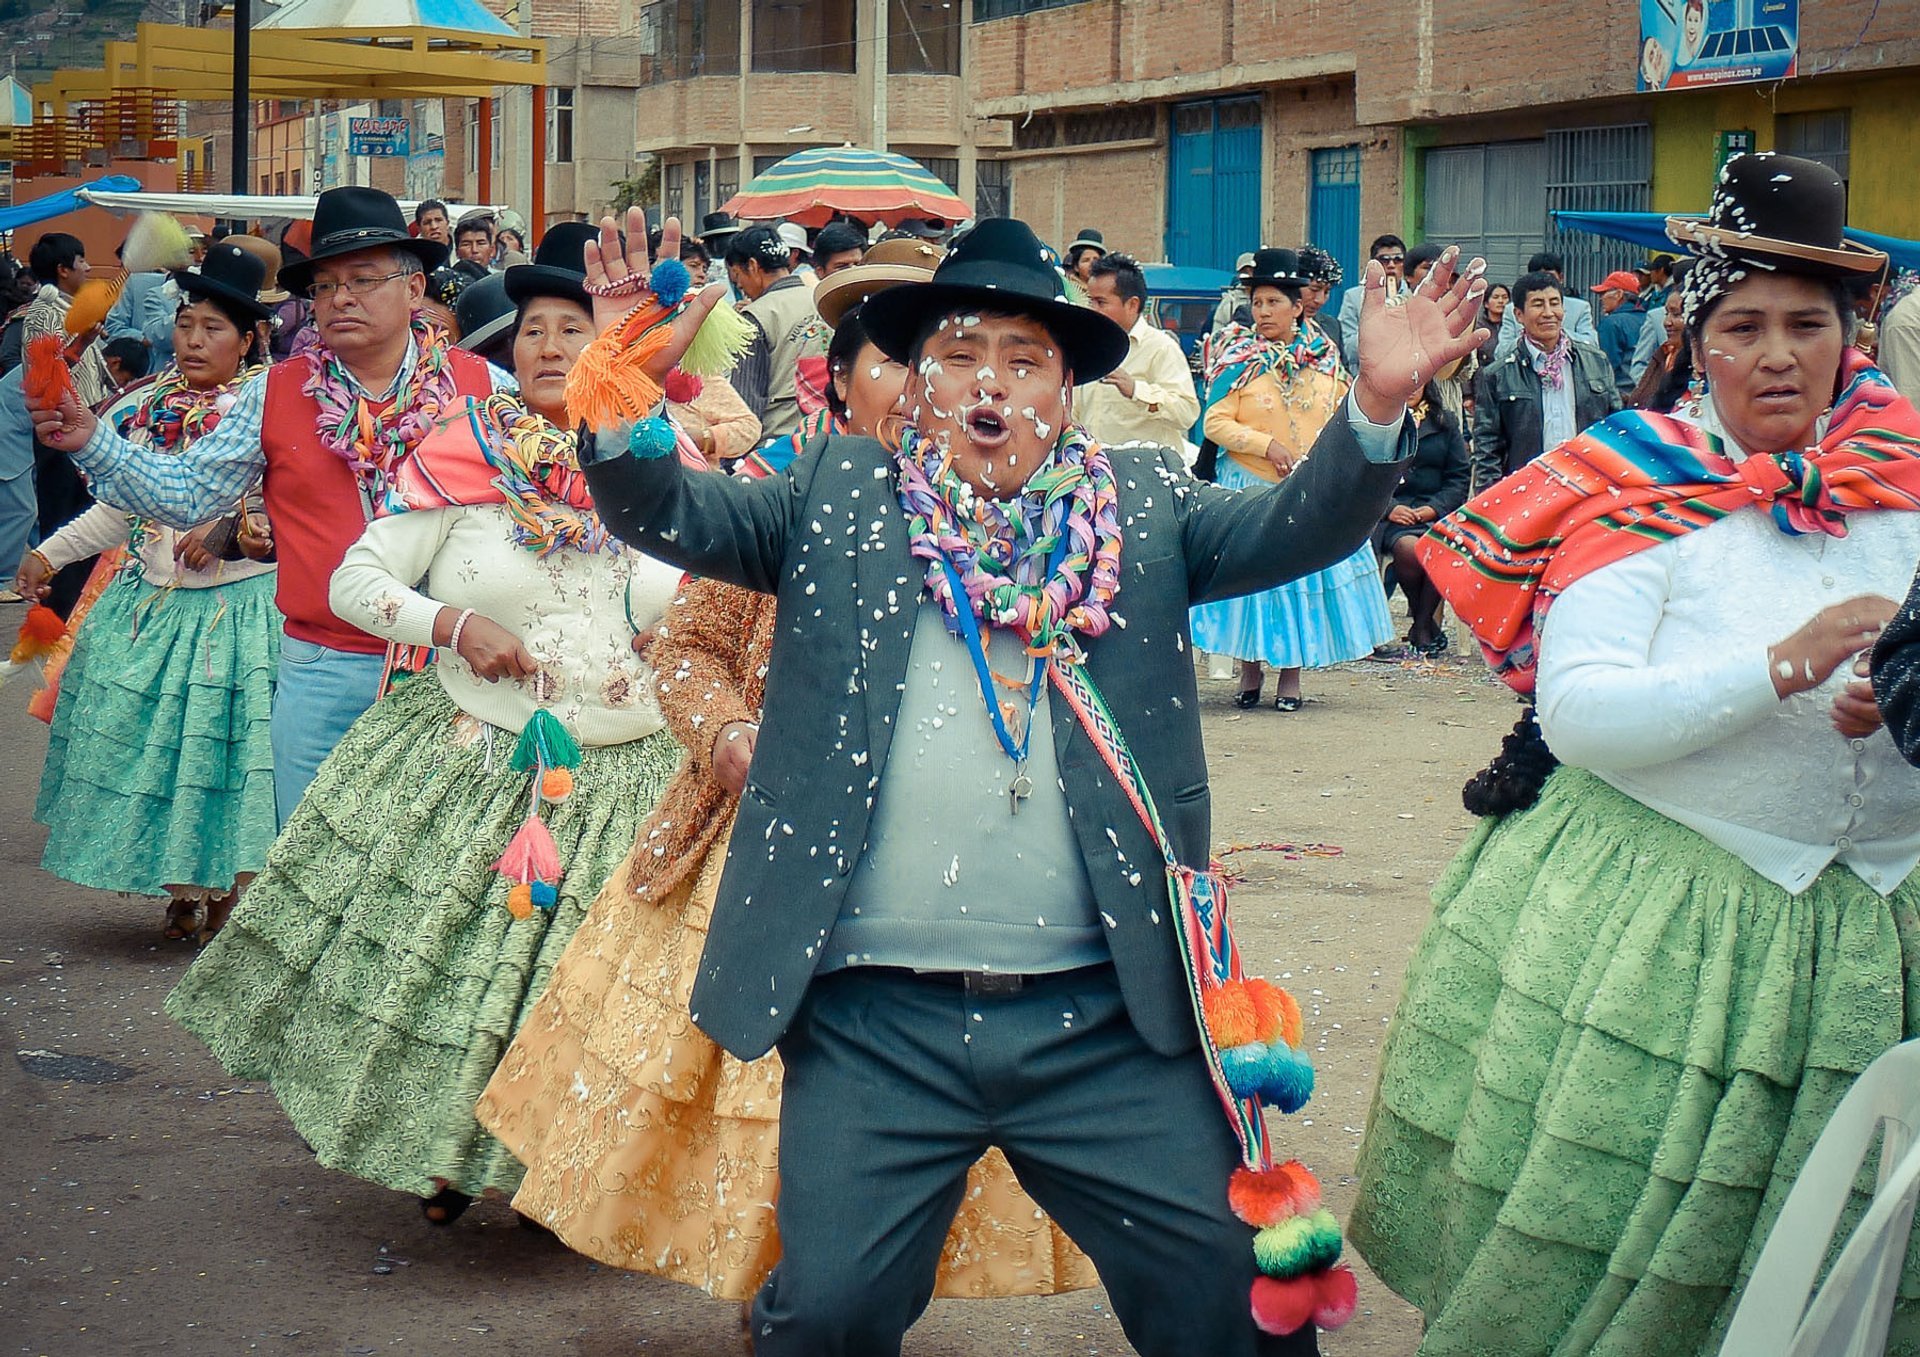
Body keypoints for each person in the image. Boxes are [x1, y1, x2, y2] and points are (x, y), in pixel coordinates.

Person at [570, 212, 1487, 1356]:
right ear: (916, 380)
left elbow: (1295, 526)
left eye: (1025, 358)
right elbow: (669, 510)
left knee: (1232, 1300)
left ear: (1066, 386)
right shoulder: (838, 493)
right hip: (874, 1019)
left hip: (1107, 1019)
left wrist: (1378, 406)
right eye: (959, 355)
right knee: (831, 1312)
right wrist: (612, 381)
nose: (989, 384)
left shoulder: (1146, 504)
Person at [1350, 152, 1920, 1357]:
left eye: (1806, 325)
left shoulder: (1907, 480)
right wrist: (1787, 661)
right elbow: (1585, 714)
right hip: (1676, 938)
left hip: (1882, 941)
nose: (1777, 354)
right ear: (1694, 337)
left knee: (1846, 1261)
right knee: (1627, 1267)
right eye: (1745, 326)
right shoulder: (1637, 486)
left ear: (1850, 335)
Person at [476, 250, 1097, 1302]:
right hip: (767, 850)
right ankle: (795, 1300)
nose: (925, 386)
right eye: (897, 362)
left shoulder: (1036, 514)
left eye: (938, 361)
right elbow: (684, 648)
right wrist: (725, 732)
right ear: (842, 380)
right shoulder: (776, 499)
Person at [163, 219, 703, 1226]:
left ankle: (562, 1171)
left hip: (631, 776)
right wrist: (455, 623)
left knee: (587, 987)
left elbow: (722, 600)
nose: (550, 346)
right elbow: (355, 579)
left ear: (624, 347)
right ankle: (447, 1152)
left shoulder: (670, 469)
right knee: (461, 971)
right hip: (477, 760)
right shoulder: (461, 454)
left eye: (576, 327)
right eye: (532, 329)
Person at [24, 186, 513, 825]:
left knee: (437, 867)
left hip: (456, 669)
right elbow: (184, 493)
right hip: (323, 664)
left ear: (414, 287)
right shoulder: (276, 393)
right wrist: (92, 439)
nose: (341, 298)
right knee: (311, 860)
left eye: (363, 279)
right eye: (325, 285)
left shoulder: (484, 390)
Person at [18, 242, 278, 944]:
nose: (193, 340)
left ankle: (229, 888)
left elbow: (302, 506)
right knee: (165, 758)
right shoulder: (145, 406)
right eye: (186, 323)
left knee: (225, 759)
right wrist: (49, 550)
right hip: (158, 607)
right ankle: (187, 888)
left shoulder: (276, 407)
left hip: (243, 609)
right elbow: (122, 505)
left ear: (250, 338)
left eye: (213, 328)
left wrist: (236, 525)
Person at [1189, 248, 1397, 710]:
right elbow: (1214, 423)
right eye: (1257, 303)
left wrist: (1323, 461)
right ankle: (1248, 673)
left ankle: (1290, 677)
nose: (1262, 312)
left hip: (1308, 487)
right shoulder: (1236, 357)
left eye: (1273, 303)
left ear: (1297, 306)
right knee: (1251, 580)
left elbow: (1344, 414)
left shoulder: (1325, 358)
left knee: (1296, 581)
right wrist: (1267, 446)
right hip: (1249, 483)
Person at [1470, 269, 1621, 489]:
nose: (1549, 312)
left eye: (1554, 303)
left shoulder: (1595, 362)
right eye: (1538, 304)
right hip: (1527, 490)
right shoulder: (1498, 374)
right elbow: (1487, 449)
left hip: (1588, 485)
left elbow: (1614, 428)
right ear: (1519, 315)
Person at [1373, 379, 1469, 656]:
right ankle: (1425, 625)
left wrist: (1435, 508)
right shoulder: (1380, 423)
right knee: (1410, 549)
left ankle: (1422, 625)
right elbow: (1367, 477)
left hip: (1433, 512)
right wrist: (1390, 508)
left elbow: (1458, 477)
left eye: (1419, 382)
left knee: (1441, 549)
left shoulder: (1444, 421)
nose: (1413, 388)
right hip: (1391, 515)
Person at [1074, 252, 1202, 454]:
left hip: (1147, 475)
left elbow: (1186, 412)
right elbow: (1074, 414)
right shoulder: (1086, 347)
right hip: (1094, 471)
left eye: (1101, 302)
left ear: (1132, 304)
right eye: (1090, 301)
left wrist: (1136, 391)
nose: (1093, 309)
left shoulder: (1161, 348)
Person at [723, 224, 816, 441]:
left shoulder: (756, 316)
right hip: (827, 433)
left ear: (753, 266)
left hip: (778, 442)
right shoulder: (822, 300)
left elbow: (746, 400)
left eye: (737, 276)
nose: (739, 286)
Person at [1492, 251, 1600, 359]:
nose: (1548, 313)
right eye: (1537, 305)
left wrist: (1557, 334)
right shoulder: (1512, 309)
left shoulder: (1580, 308)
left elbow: (1592, 344)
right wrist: (1529, 338)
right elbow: (1501, 352)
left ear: (1561, 278)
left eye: (1550, 276)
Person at [1338, 234, 1406, 369]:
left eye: (1398, 259)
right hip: (1367, 376)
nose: (1391, 265)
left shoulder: (1413, 296)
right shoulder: (1354, 297)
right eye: (1384, 260)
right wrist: (1375, 331)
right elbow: (1346, 350)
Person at [22, 233, 92, 347]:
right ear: (63, 270)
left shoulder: (75, 308)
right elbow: (48, 363)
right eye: (81, 261)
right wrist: (82, 343)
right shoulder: (43, 316)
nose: (88, 268)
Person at [1590, 268, 1645, 395]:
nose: (1601, 299)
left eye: (1604, 293)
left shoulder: (1611, 323)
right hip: (1644, 393)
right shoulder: (1648, 318)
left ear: (1619, 294)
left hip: (1620, 394)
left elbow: (1606, 365)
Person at [1628, 251, 1680, 384]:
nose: (1667, 322)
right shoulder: (1653, 303)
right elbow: (1640, 365)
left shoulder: (1657, 297)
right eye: (1667, 312)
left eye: (1676, 313)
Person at [1297, 245, 1344, 358]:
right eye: (1314, 289)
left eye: (1327, 292)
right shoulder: (1267, 321)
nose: (1320, 300)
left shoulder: (1331, 326)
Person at [1214, 251, 1257, 332]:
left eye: (1252, 270)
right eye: (1245, 271)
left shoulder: (1266, 295)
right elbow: (1218, 328)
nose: (1249, 275)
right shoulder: (1230, 300)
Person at [1474, 281, 1509, 365]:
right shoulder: (1478, 327)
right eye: (1496, 297)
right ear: (1486, 303)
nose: (1501, 301)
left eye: (1504, 297)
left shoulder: (1512, 326)